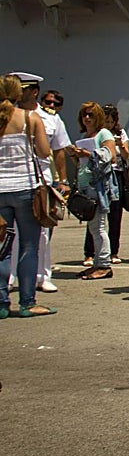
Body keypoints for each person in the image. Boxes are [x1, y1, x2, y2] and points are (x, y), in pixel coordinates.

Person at [0, 74, 54, 317]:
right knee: (29, 246)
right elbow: (44, 152)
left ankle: (1, 303)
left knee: (3, 248)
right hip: (25, 188)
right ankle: (27, 302)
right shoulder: (29, 118)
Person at [14, 76, 70, 294]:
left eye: (24, 90)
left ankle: (42, 275)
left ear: (34, 92)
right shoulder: (7, 115)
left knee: (43, 230)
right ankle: (9, 277)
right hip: (13, 179)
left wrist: (63, 180)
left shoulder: (49, 118)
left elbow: (59, 150)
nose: (20, 94)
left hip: (41, 179)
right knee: (11, 232)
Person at [70, 102, 120, 280]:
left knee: (98, 227)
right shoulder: (86, 135)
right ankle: (98, 263)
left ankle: (104, 265)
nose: (87, 118)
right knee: (93, 227)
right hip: (86, 184)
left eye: (90, 114)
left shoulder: (104, 133)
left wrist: (88, 154)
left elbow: (111, 156)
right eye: (84, 115)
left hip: (97, 186)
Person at [84, 104, 129, 268]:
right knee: (93, 217)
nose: (109, 125)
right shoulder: (94, 134)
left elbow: (118, 157)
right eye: (106, 121)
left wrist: (120, 145)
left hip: (113, 176)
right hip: (95, 177)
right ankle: (90, 253)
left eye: (111, 122)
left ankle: (111, 254)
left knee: (113, 217)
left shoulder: (115, 134)